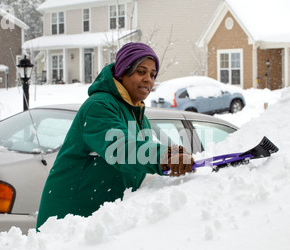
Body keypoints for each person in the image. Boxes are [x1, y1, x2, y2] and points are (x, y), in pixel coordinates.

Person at [36, 42, 194, 230]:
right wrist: (166, 156)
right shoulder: (99, 106)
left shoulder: (139, 116)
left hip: (102, 219)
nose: (148, 80)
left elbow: (140, 157)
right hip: (70, 217)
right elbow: (121, 149)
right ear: (122, 72)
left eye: (152, 75)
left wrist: (173, 155)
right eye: (141, 71)